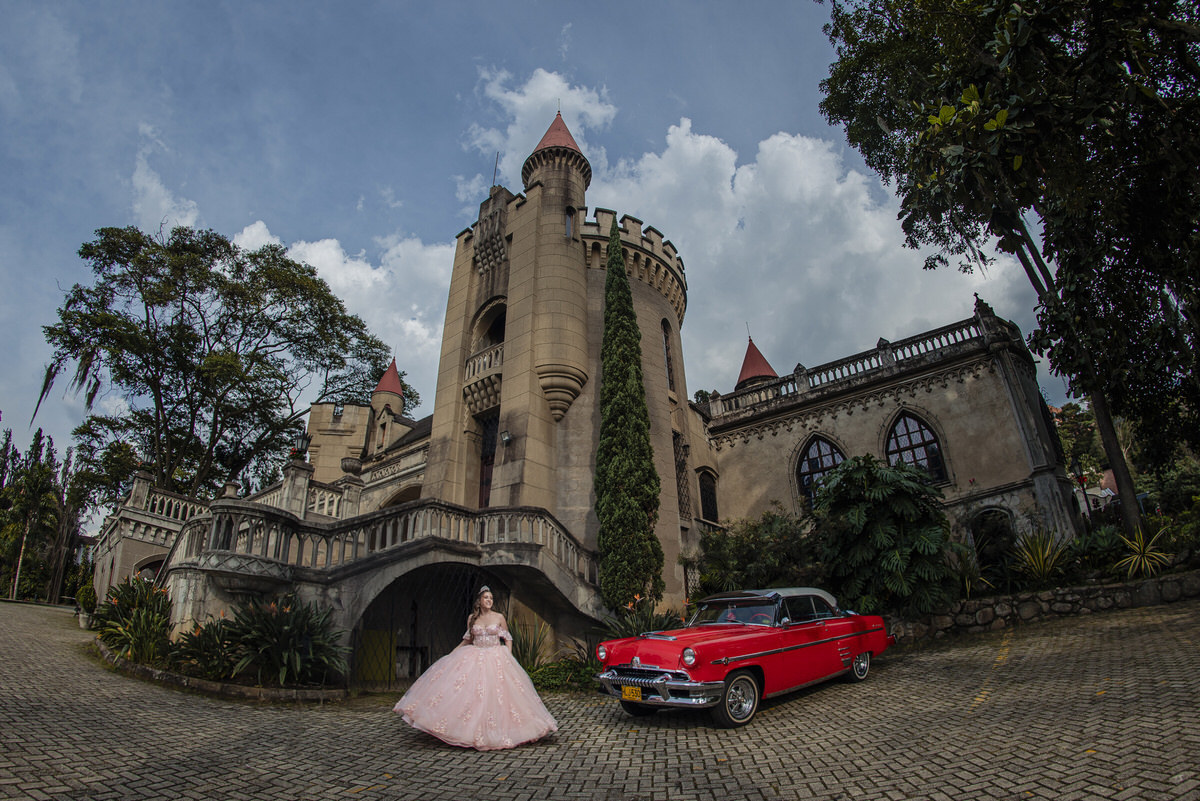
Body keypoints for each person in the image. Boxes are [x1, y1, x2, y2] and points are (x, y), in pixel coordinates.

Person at [392, 586, 558, 750]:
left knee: (499, 695)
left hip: (495, 655)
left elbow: (507, 638)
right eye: (486, 598)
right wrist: (451, 655)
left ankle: (507, 730)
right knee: (470, 694)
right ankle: (466, 731)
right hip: (475, 654)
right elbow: (467, 640)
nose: (489, 601)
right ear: (479, 600)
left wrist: (507, 655)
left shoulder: (499, 617)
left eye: (491, 598)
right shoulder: (472, 618)